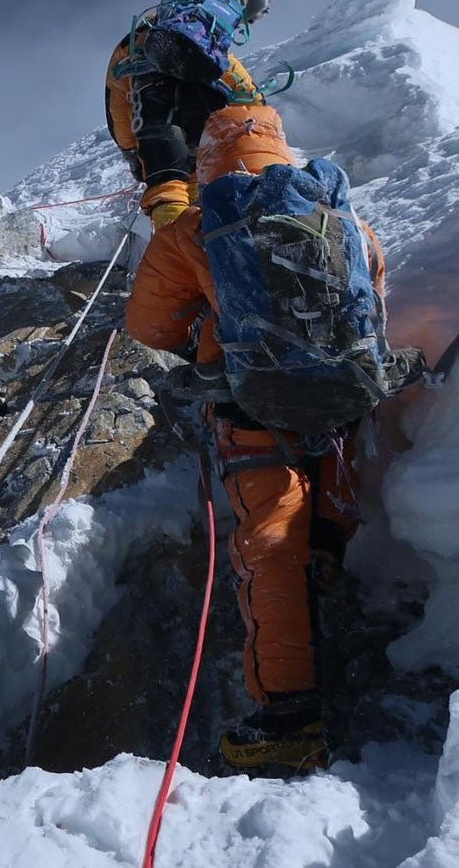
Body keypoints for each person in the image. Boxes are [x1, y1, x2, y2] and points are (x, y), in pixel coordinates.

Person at [125, 103, 422, 772]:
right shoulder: (345, 220)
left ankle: (288, 716)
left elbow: (150, 328)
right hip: (343, 404)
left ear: (208, 164)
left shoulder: (201, 226)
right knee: (313, 524)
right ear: (281, 151)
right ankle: (328, 563)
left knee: (270, 543)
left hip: (252, 408)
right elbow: (371, 304)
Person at [105, 0, 278, 229]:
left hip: (154, 104)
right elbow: (241, 84)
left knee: (166, 180)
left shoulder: (132, 43)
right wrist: (258, 109)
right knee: (200, 171)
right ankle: (212, 232)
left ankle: (175, 243)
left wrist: (130, 149)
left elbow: (118, 97)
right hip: (204, 100)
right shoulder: (206, 46)